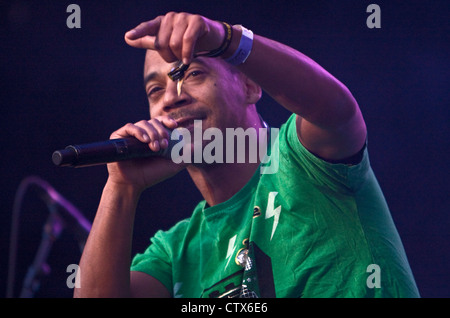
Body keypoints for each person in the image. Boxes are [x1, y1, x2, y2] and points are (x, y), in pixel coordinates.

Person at [74, 12, 419, 298]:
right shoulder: (175, 251)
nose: (170, 98)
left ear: (251, 86)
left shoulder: (303, 158)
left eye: (193, 73)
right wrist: (121, 187)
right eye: (155, 90)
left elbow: (337, 111)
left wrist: (227, 40)